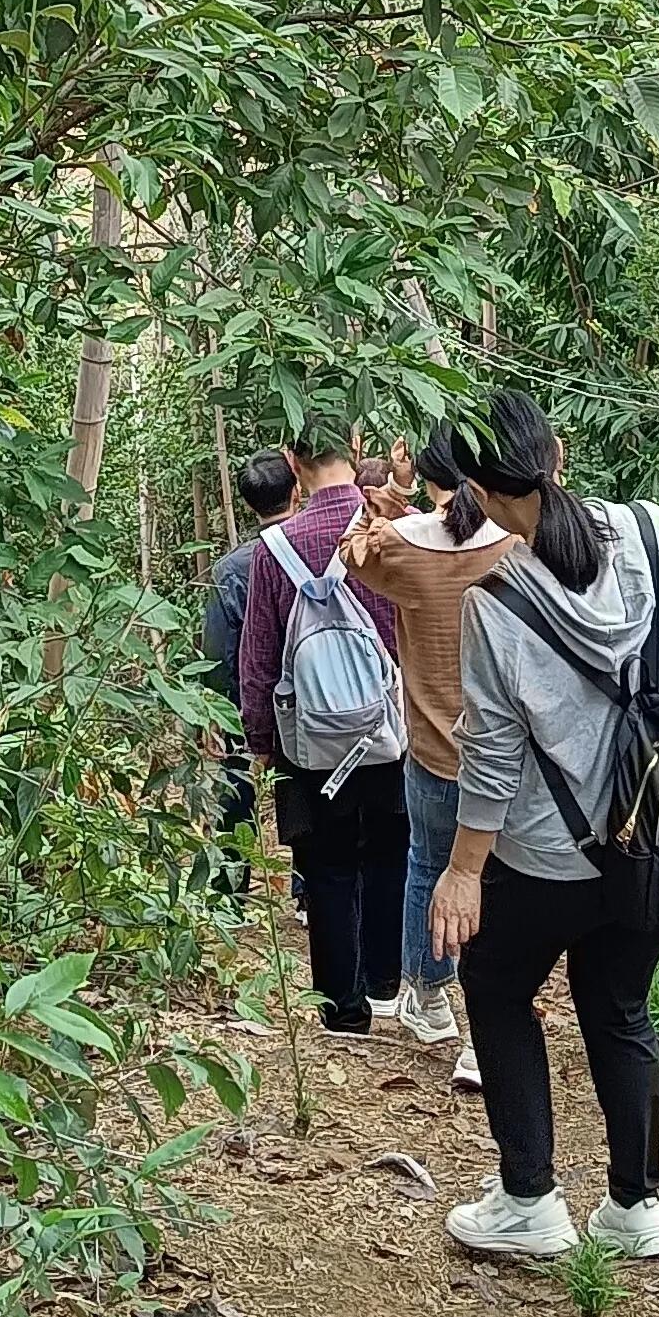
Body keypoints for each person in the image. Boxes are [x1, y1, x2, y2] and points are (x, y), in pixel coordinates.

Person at [428, 389, 659, 1263]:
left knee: (497, 988)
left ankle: (529, 1200)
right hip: (653, 841)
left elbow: (494, 756)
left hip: (546, 858)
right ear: (558, 455)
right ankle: (636, 1208)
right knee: (619, 1005)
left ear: (478, 492)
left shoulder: (495, 602)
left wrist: (463, 871)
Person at [237, 414, 412, 1030]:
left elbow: (259, 655)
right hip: (389, 729)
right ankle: (386, 983)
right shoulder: (393, 531)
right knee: (390, 852)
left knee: (328, 865)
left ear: (293, 461)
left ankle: (343, 1009)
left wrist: (260, 740)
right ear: (357, 448)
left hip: (308, 738)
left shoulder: (274, 550)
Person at [347, 430, 509, 1077]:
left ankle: (432, 996)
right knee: (496, 888)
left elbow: (352, 553)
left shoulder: (405, 545)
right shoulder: (511, 540)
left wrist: (394, 490)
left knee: (430, 866)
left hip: (436, 751)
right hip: (509, 759)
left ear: (430, 473)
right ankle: (484, 1036)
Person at [198, 450, 297, 854]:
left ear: (247, 503)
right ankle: (305, 885)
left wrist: (213, 714)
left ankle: (230, 881)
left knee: (235, 799)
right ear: (296, 490)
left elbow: (218, 651)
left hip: (248, 706)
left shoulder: (231, 568)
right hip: (314, 703)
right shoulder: (322, 547)